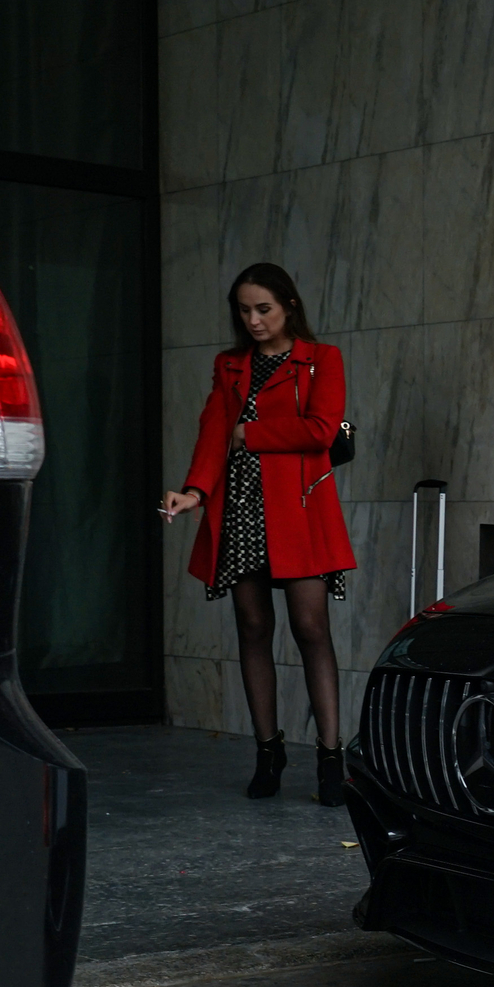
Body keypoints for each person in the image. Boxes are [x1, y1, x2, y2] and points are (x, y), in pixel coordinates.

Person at [158, 264, 355, 804]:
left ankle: (331, 757)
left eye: (263, 309)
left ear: (289, 304)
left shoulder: (322, 359)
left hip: (299, 508)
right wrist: (194, 492)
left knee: (311, 628)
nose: (254, 320)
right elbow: (213, 432)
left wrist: (253, 433)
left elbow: (320, 429)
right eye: (244, 310)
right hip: (241, 507)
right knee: (251, 626)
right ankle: (268, 751)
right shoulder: (229, 365)